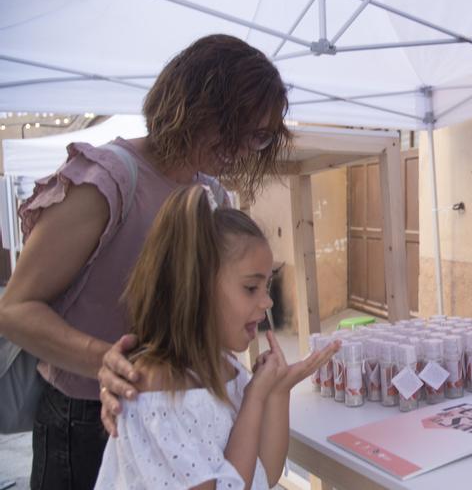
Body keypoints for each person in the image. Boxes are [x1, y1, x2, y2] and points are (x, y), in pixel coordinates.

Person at [0, 34, 290, 489]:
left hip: (179, 410)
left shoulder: (211, 195)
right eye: (236, 127)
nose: (240, 148)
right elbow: (15, 310)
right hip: (90, 421)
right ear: (193, 104)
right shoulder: (107, 181)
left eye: (257, 136)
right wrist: (105, 361)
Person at [92, 185, 338, 489]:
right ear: (196, 289)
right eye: (251, 288)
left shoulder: (226, 368)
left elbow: (264, 474)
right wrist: (254, 397)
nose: (268, 302)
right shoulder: (159, 389)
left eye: (266, 287)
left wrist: (277, 391)